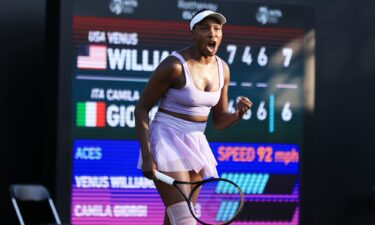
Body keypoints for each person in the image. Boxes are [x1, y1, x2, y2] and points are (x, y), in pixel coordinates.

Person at [135, 8, 252, 225]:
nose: (212, 33)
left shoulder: (223, 69)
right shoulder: (174, 66)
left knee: (176, 219)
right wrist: (148, 156)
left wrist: (237, 114)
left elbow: (219, 120)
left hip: (196, 142)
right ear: (193, 33)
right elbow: (141, 109)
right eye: (205, 28)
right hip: (166, 139)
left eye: (217, 29)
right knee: (185, 220)